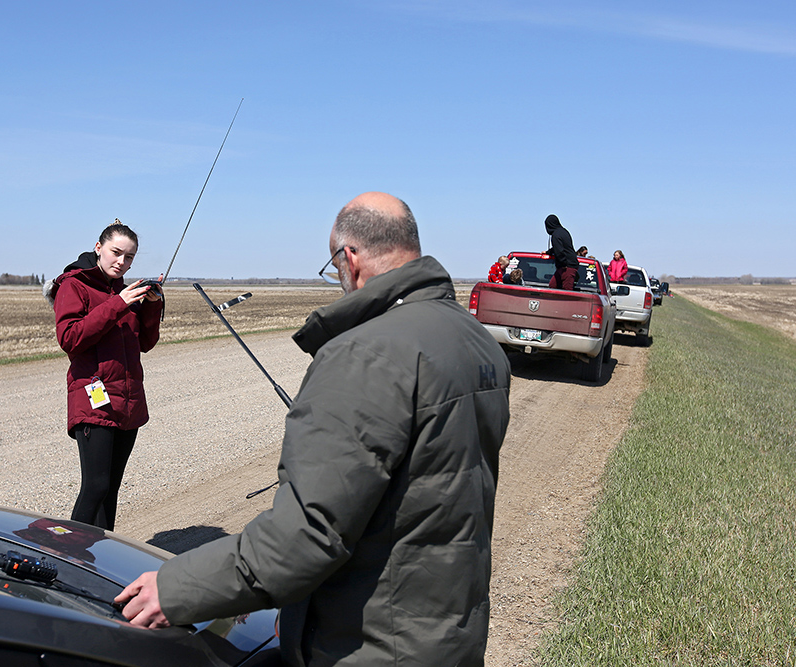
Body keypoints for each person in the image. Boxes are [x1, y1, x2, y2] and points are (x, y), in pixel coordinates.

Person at [116, 192, 511, 666]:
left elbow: (307, 534)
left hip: (373, 646)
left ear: (350, 258)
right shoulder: (475, 340)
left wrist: (176, 588)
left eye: (334, 265)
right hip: (450, 634)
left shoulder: (365, 354)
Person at [46, 220, 163, 531]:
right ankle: (68, 553)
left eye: (129, 257)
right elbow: (70, 339)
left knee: (110, 490)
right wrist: (117, 304)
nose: (122, 262)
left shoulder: (123, 292)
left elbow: (145, 343)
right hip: (93, 397)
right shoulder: (74, 285)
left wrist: (151, 306)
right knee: (95, 487)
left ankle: (100, 554)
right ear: (98, 248)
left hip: (128, 399)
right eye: (116, 252)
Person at [544, 214, 579, 290]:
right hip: (567, 265)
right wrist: (548, 252)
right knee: (553, 285)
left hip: (567, 266)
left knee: (567, 290)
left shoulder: (556, 235)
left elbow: (559, 250)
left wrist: (563, 264)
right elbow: (560, 247)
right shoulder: (563, 231)